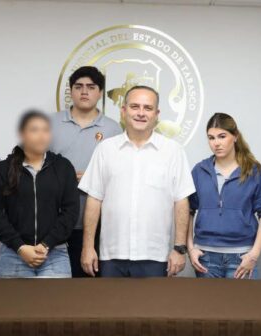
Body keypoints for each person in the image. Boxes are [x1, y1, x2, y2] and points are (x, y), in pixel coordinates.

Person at [79, 85, 195, 278]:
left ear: (156, 114)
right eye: (134, 106)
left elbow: (181, 201)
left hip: (155, 256)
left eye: (147, 108)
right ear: (123, 111)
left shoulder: (173, 151)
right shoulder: (105, 150)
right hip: (111, 256)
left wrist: (179, 249)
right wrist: (88, 247)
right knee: (110, 308)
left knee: (152, 309)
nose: (141, 113)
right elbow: (94, 200)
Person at [0, 111, 79, 278]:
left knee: (56, 305)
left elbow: (70, 212)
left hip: (54, 255)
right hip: (13, 254)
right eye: (34, 130)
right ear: (22, 134)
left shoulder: (63, 167)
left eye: (46, 130)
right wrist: (20, 247)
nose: (41, 136)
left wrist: (46, 244)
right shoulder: (3, 170)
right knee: (15, 305)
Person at [50, 66, 121, 278]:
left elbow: (120, 174)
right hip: (55, 221)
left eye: (91, 87)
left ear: (100, 93)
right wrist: (64, 177)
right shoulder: (50, 123)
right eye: (78, 86)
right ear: (70, 91)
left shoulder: (112, 128)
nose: (84, 92)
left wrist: (91, 178)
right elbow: (31, 163)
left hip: (98, 223)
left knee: (92, 290)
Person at [187, 113, 261, 279]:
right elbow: (188, 211)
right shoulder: (199, 171)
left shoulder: (253, 171)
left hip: (242, 257)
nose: (216, 143)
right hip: (206, 258)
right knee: (207, 306)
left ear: (235, 136)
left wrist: (254, 254)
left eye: (222, 136)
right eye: (211, 138)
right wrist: (190, 248)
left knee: (243, 306)